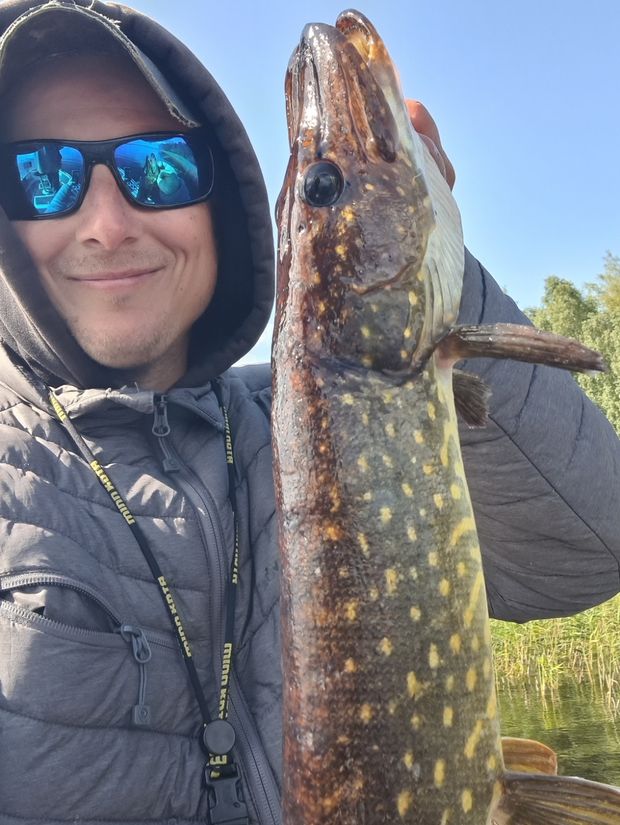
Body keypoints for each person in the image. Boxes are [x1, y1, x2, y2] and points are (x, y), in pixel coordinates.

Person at [0, 2, 617, 823]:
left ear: (224, 208)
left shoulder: (287, 417)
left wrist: (441, 288)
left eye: (162, 166)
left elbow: (589, 550)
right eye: (42, 175)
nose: (107, 225)